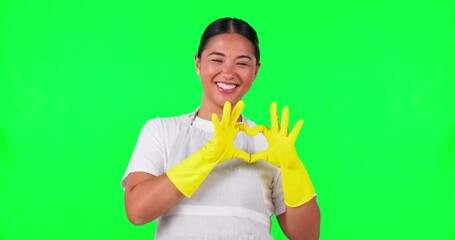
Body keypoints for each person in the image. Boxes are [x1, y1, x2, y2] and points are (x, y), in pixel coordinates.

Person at [121, 17, 321, 239]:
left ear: (256, 70)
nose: (228, 72)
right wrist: (207, 157)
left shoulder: (268, 144)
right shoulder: (162, 131)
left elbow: (307, 236)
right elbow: (137, 211)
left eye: (242, 63)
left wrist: (294, 170)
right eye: (217, 60)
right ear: (198, 63)